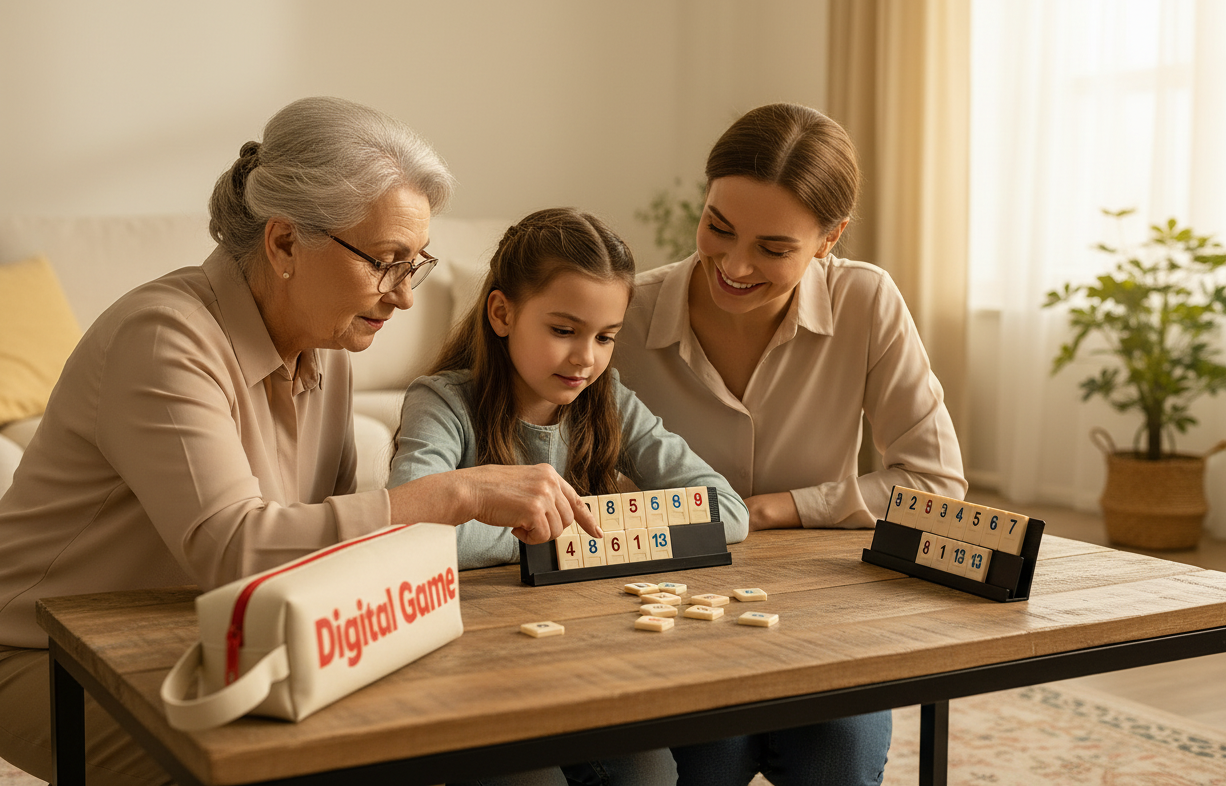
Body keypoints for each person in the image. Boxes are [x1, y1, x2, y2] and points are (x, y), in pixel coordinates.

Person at [0, 97, 596, 786]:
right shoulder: (164, 337)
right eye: (385, 261)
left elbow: (323, 558)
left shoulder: (328, 349)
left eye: (415, 263)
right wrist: (453, 493)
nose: (403, 296)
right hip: (45, 655)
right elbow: (236, 549)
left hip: (209, 639)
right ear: (284, 243)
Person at [614, 103, 967, 786]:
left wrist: (771, 509)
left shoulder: (868, 302)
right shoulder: (626, 316)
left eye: (774, 249)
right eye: (718, 227)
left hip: (824, 616)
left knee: (838, 759)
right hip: (670, 610)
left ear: (829, 239)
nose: (735, 265)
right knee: (702, 762)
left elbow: (934, 485)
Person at [387, 207, 749, 786]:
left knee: (651, 772)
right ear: (502, 314)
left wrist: (574, 532)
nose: (587, 357)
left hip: (587, 651)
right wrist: (546, 535)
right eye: (564, 330)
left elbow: (727, 511)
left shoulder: (608, 399)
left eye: (606, 337)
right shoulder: (443, 402)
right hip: (477, 659)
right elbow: (407, 529)